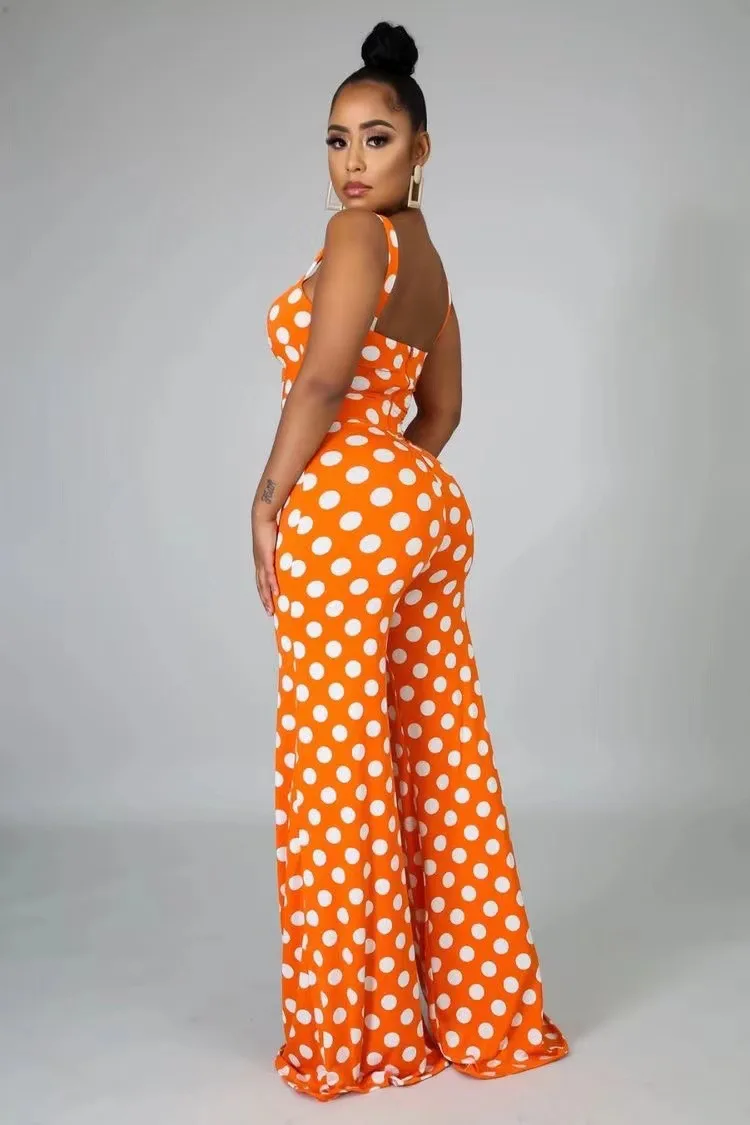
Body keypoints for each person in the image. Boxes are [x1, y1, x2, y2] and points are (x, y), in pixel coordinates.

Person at [251, 19, 569, 1103]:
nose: (352, 163)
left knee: (337, 773)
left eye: (376, 139)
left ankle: (361, 1039)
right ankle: (485, 1015)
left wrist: (272, 497)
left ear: (420, 148)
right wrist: (396, 492)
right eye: (336, 140)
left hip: (345, 508)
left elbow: (320, 382)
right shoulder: (428, 262)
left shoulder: (357, 240)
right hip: (422, 506)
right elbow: (443, 411)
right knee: (440, 757)